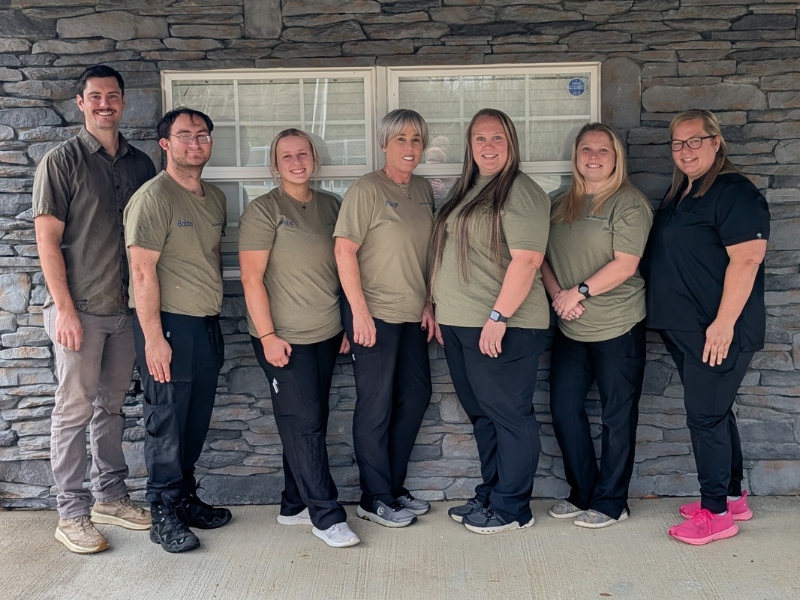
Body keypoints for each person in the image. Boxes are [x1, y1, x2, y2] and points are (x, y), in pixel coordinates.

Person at [33, 65, 155, 554]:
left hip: (124, 311)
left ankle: (110, 496)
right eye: (95, 96)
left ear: (123, 102)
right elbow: (46, 240)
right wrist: (63, 309)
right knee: (73, 411)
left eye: (113, 96)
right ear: (80, 103)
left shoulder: (141, 164)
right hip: (79, 311)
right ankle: (72, 512)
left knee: (111, 408)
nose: (105, 104)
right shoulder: (60, 162)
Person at [644, 109, 770, 545]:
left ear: (717, 142)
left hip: (716, 331)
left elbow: (748, 258)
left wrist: (723, 324)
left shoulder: (734, 192)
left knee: (705, 419)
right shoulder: (687, 191)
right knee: (717, 413)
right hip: (686, 330)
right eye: (678, 143)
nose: (685, 150)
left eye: (695, 140)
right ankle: (733, 497)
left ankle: (716, 514)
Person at [430, 108, 551, 534]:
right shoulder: (468, 188)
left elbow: (529, 259)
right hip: (461, 325)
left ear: (511, 142)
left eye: (496, 138)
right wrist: (438, 307)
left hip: (504, 326)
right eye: (480, 139)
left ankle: (513, 508)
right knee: (483, 414)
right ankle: (494, 492)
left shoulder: (520, 190)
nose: (487, 146)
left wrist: (499, 317)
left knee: (509, 415)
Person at [239, 129, 359, 548]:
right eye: (286, 156)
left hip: (326, 334)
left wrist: (345, 324)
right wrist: (268, 335)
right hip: (283, 338)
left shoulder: (331, 206)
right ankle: (326, 516)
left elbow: (344, 270)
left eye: (303, 154)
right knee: (305, 423)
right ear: (276, 164)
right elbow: (251, 279)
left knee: (308, 420)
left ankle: (294, 503)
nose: (296, 162)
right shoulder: (263, 210)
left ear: (314, 159)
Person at [125, 108, 232, 553]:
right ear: (165, 144)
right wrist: (153, 338)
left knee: (193, 422)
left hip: (205, 326)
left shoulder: (214, 198)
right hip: (168, 327)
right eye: (184, 135)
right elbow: (142, 272)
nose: (195, 142)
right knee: (166, 421)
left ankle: (185, 499)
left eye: (202, 135)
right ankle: (162, 511)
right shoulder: (154, 197)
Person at [540, 123, 652, 529]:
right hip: (571, 327)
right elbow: (541, 259)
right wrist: (559, 297)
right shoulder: (559, 202)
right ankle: (583, 492)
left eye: (603, 150)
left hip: (618, 326)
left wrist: (579, 293)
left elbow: (626, 264)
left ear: (615, 157)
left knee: (617, 416)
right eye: (586, 149)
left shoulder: (627, 202)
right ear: (576, 156)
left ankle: (611, 501)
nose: (593, 156)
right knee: (565, 410)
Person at [333, 109, 436, 528]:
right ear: (384, 144)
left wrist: (429, 303)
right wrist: (358, 313)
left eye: (416, 140)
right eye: (400, 140)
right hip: (373, 314)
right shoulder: (367, 189)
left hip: (412, 314)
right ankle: (374, 497)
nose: (409, 148)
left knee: (415, 397)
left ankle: (392, 487)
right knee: (375, 405)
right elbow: (344, 250)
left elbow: (426, 254)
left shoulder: (424, 189)